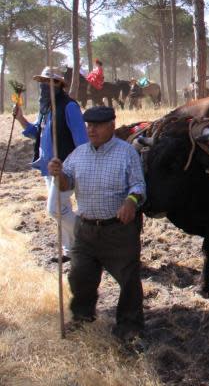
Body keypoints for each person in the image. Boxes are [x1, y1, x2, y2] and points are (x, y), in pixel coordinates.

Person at [48, 106, 146, 341]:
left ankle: (129, 327)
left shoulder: (126, 153)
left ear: (112, 125)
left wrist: (130, 203)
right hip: (86, 230)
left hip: (118, 231)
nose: (91, 130)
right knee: (80, 276)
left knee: (128, 280)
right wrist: (58, 174)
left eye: (97, 125)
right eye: (88, 125)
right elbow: (66, 185)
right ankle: (82, 316)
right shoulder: (78, 154)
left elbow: (139, 187)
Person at [13, 67, 88, 262]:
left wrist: (78, 167)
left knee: (55, 210)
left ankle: (87, 234)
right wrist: (20, 118)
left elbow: (81, 141)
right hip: (48, 167)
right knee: (61, 210)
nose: (44, 86)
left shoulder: (69, 107)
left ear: (58, 85)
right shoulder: (45, 108)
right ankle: (70, 251)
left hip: (64, 168)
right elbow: (35, 133)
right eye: (42, 83)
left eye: (48, 82)